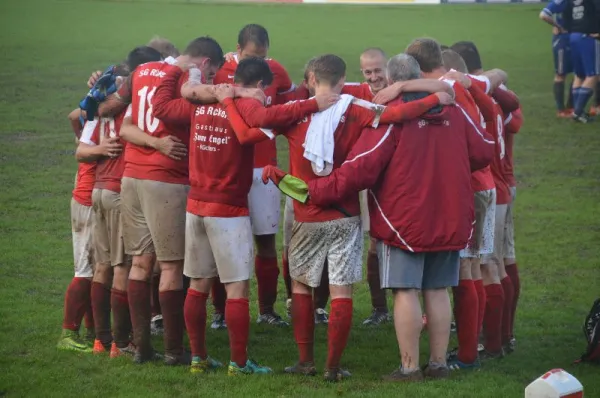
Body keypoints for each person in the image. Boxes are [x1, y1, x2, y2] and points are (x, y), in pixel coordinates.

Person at [266, 53, 494, 382]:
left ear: (390, 82)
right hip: (449, 216)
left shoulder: (389, 119)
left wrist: (315, 192)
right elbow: (484, 151)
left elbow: (361, 168)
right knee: (437, 289)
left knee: (405, 291)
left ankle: (409, 366)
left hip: (403, 219)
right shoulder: (454, 111)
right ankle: (440, 363)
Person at [228, 54, 452, 381]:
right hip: (346, 214)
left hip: (306, 215)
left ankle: (305, 360)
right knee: (341, 293)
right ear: (343, 79)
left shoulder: (294, 114)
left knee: (302, 287)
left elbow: (253, 124)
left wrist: (232, 96)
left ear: (310, 80)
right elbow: (398, 113)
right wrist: (435, 98)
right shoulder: (355, 108)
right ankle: (333, 367)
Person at [152, 55, 335, 374]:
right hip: (228, 208)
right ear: (261, 85)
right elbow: (275, 114)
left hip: (195, 206)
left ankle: (197, 358)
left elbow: (166, 105)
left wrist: (182, 73)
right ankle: (238, 363)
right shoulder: (247, 105)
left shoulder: (201, 101)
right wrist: (312, 104)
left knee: (197, 285)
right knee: (236, 287)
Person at [115, 37, 224, 365]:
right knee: (173, 266)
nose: (210, 80)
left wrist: (150, 142)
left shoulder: (145, 70)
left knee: (139, 262)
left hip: (131, 176)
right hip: (166, 180)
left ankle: (141, 346)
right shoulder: (185, 80)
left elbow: (125, 124)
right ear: (204, 63)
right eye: (212, 73)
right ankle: (175, 351)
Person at [77, 46, 163, 357]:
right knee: (124, 266)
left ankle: (101, 339)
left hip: (99, 189)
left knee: (103, 266)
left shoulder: (103, 97)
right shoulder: (136, 103)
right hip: (118, 190)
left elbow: (81, 129)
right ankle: (120, 343)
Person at [208, 24, 296, 328]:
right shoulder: (220, 72)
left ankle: (267, 310)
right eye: (249, 56)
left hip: (263, 169)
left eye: (262, 56)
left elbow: (286, 110)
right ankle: (219, 311)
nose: (256, 62)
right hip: (228, 167)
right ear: (237, 48)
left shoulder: (276, 73)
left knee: (266, 240)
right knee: (222, 243)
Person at [452, 41, 519, 360]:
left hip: (486, 185)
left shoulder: (469, 96)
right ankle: (502, 337)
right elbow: (515, 115)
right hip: (502, 185)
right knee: (500, 263)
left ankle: (492, 343)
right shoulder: (495, 95)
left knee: (485, 265)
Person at [56, 118, 97, 353]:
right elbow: (73, 115)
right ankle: (68, 333)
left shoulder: (98, 120)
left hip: (89, 196)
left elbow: (74, 116)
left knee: (96, 270)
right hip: (88, 200)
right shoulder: (101, 118)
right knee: (85, 270)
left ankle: (94, 330)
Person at [563, 0, 600, 122]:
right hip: (588, 37)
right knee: (593, 75)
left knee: (579, 75)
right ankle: (578, 113)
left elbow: (566, 17)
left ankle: (577, 111)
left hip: (574, 36)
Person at [540, 0, 575, 117]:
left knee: (579, 74)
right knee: (561, 74)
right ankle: (561, 110)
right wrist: (557, 26)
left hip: (575, 39)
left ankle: (571, 106)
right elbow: (543, 15)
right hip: (562, 41)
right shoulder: (560, 1)